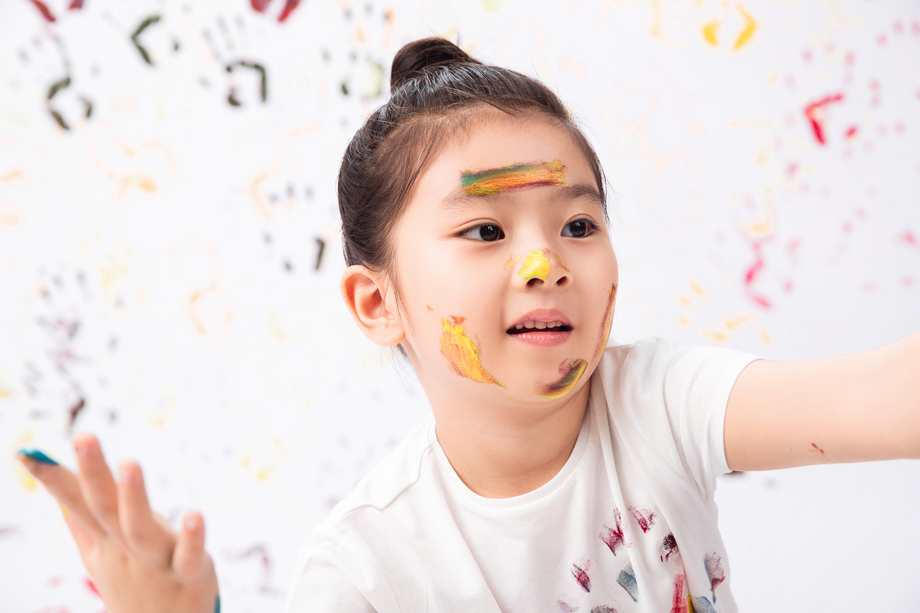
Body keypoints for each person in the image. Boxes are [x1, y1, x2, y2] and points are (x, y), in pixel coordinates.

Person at [16, 37, 920, 613]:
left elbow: (881, 398)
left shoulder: (657, 402)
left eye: (578, 223)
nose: (546, 262)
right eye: (485, 230)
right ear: (379, 303)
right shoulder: (364, 569)